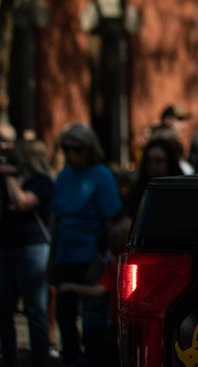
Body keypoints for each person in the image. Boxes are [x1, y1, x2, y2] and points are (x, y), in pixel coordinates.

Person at [50, 123, 123, 367]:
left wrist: (109, 256)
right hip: (65, 252)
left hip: (91, 253)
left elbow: (111, 218)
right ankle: (71, 358)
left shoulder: (101, 175)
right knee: (64, 314)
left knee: (92, 317)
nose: (71, 154)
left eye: (77, 149)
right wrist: (51, 259)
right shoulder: (64, 175)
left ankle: (94, 360)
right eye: (66, 149)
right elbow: (56, 220)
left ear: (89, 149)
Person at [0, 127, 55, 367]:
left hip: (33, 248)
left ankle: (40, 360)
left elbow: (23, 203)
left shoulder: (42, 182)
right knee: (3, 309)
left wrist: (9, 178)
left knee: (35, 310)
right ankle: (9, 359)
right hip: (6, 247)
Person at [57, 217, 130, 367]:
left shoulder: (113, 270)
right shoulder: (131, 269)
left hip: (116, 325)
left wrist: (71, 287)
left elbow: (98, 291)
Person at [122, 137, 183, 220]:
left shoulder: (181, 190)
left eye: (158, 161)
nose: (152, 165)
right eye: (148, 161)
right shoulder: (137, 191)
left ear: (170, 163)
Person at [157, 104, 194, 174]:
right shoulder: (164, 139)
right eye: (180, 119)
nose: (184, 126)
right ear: (167, 120)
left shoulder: (172, 139)